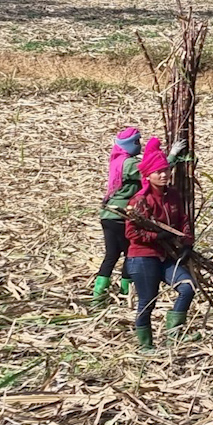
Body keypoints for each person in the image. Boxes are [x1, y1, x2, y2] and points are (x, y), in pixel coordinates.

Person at [123, 137, 195, 351]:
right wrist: (157, 237)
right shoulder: (140, 201)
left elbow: (183, 220)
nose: (164, 175)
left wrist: (186, 241)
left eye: (166, 170)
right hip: (143, 257)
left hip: (166, 256)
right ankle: (145, 346)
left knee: (187, 287)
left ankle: (173, 335)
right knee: (148, 301)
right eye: (158, 172)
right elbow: (131, 232)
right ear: (148, 175)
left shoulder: (172, 195)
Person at [93, 127, 143, 307]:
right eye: (137, 142)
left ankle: (98, 295)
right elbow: (153, 171)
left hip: (108, 214)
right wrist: (172, 157)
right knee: (131, 254)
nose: (139, 145)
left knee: (112, 255)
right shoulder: (129, 164)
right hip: (120, 215)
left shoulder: (117, 161)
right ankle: (125, 292)